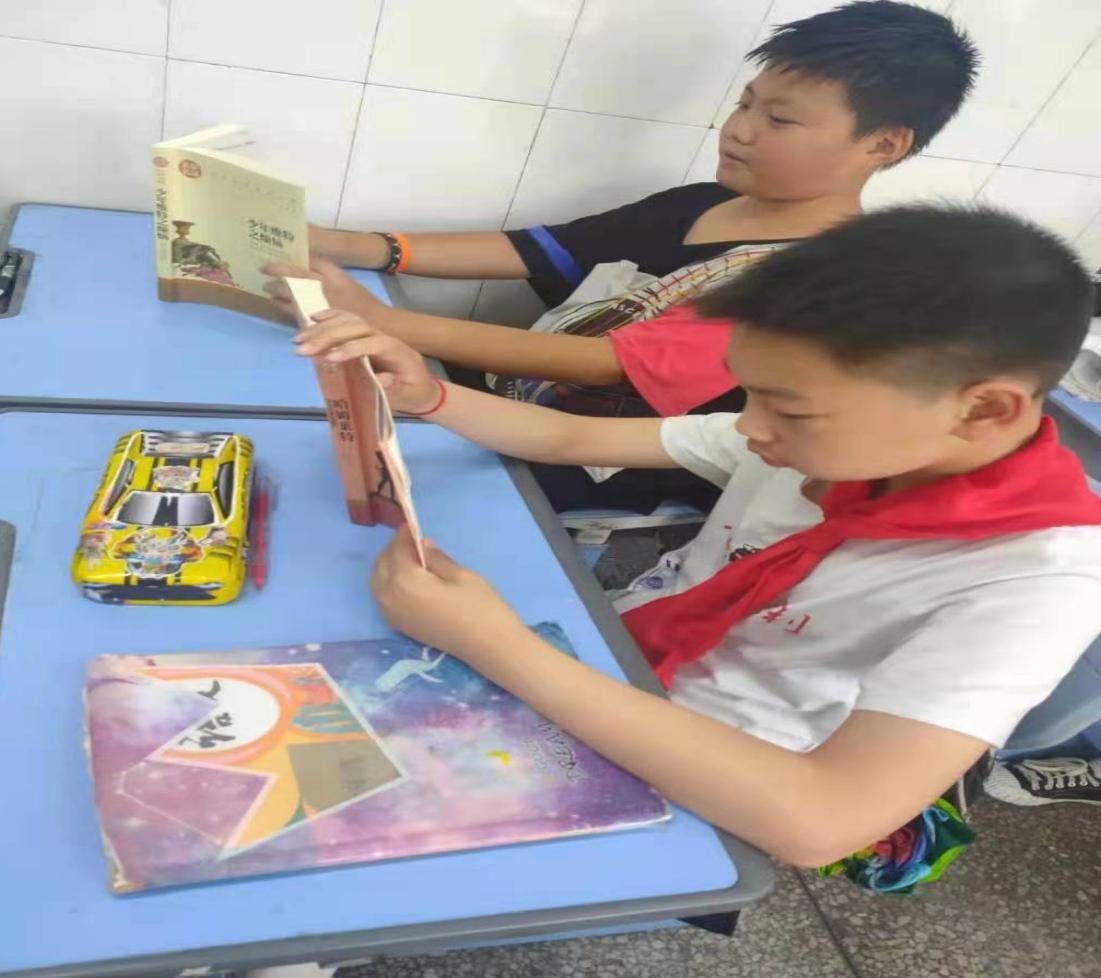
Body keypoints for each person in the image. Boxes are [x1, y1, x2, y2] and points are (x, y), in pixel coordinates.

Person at [293, 205, 1101, 865]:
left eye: (788, 408)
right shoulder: (820, 440)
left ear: (982, 410)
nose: (748, 427)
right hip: (606, 660)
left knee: (339, 829)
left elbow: (824, 821)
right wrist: (427, 395)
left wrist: (495, 645)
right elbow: (571, 437)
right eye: (749, 393)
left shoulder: (1036, 581)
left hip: (721, 776)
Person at [271, 1, 979, 513]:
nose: (738, 131)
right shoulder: (700, 201)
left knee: (322, 487)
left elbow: (611, 363)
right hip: (494, 401)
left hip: (579, 463)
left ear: (883, 144)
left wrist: (390, 322)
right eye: (744, 104)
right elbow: (537, 247)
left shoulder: (819, 283)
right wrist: (355, 246)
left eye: (779, 119)